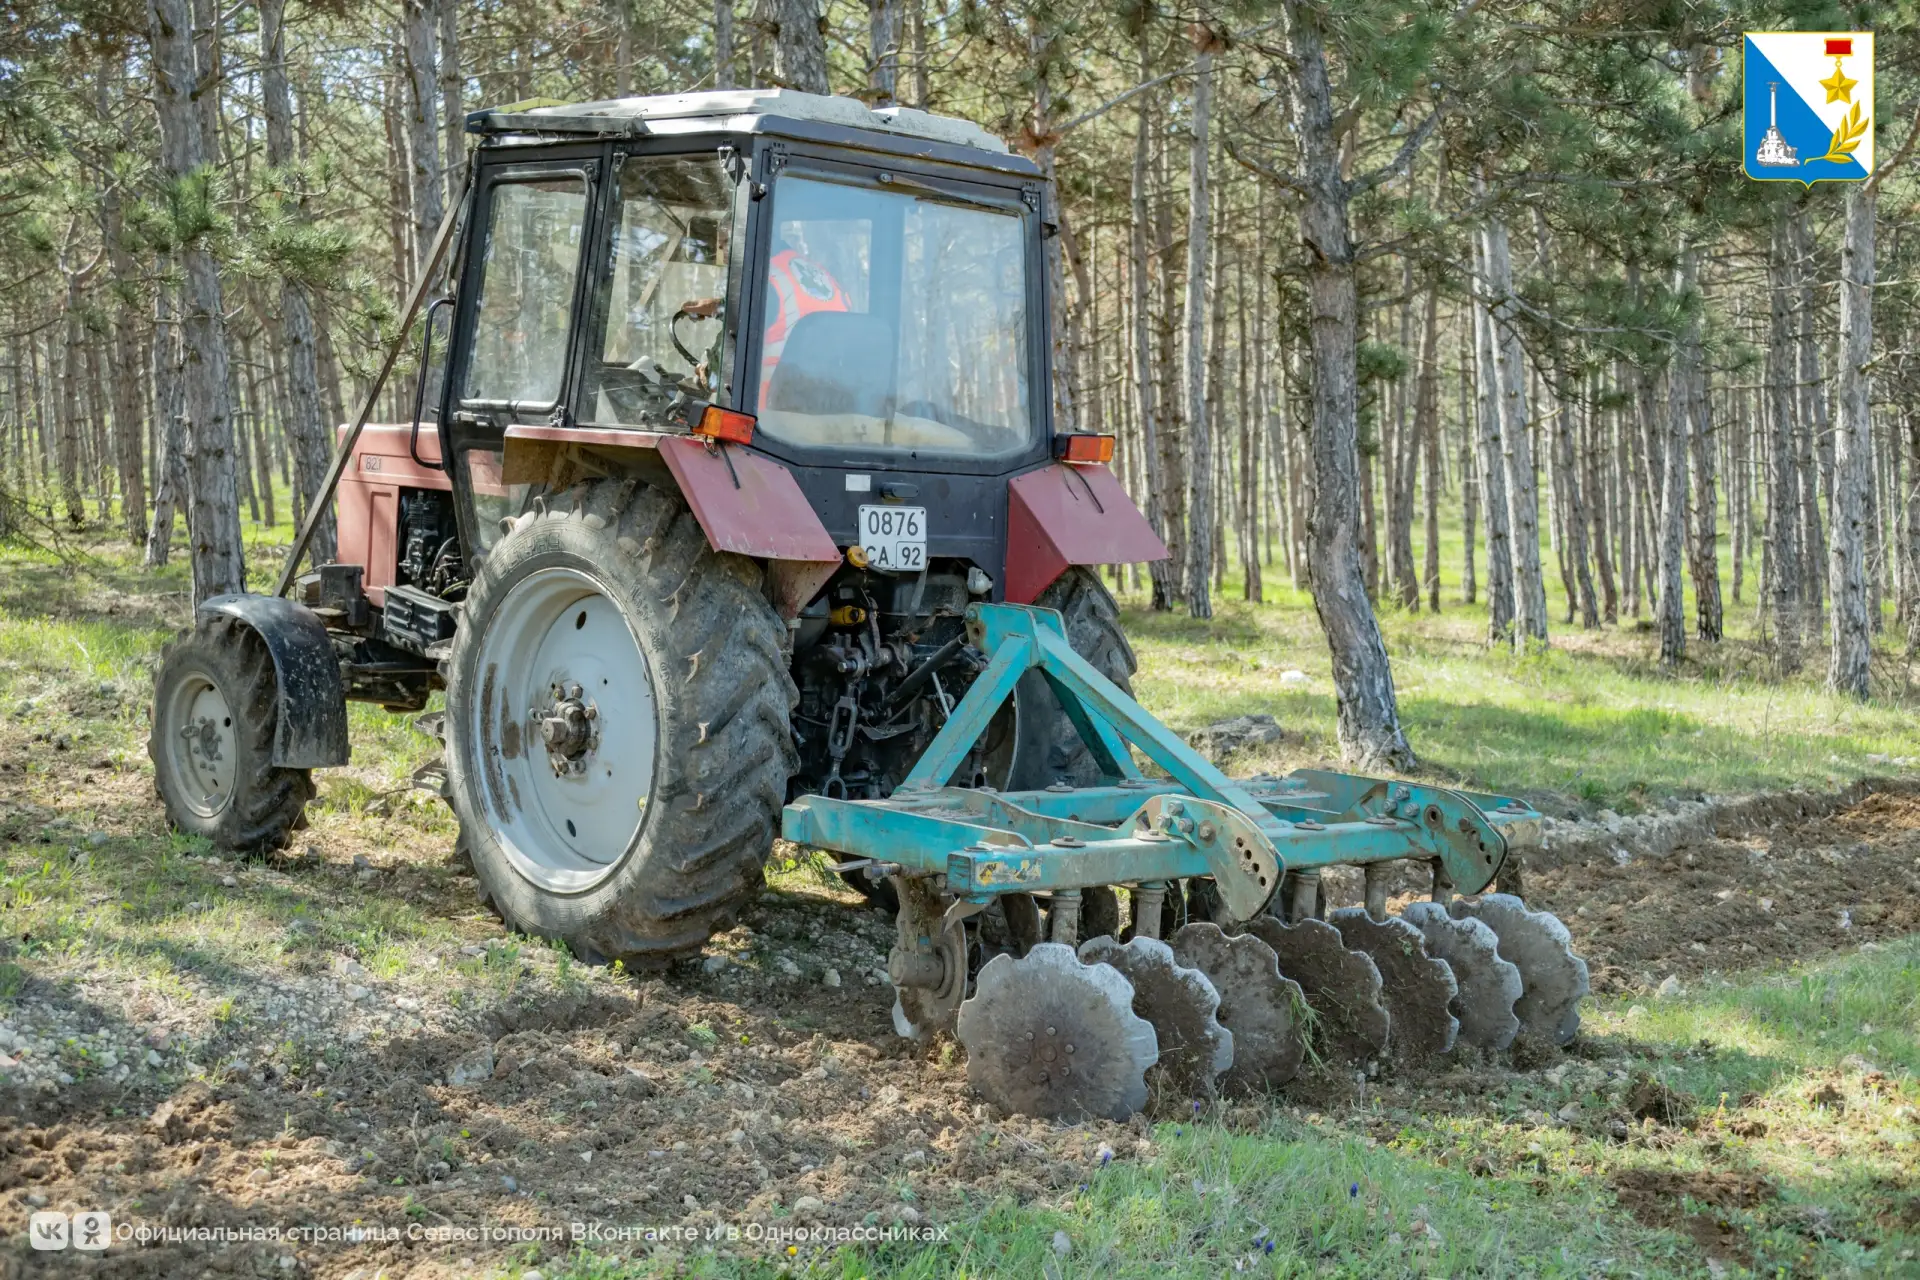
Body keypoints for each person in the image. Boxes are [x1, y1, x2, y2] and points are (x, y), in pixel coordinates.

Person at [759, 239, 850, 393]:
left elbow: (734, 346)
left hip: (772, 401)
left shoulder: (768, 281)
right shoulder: (835, 287)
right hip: (826, 400)